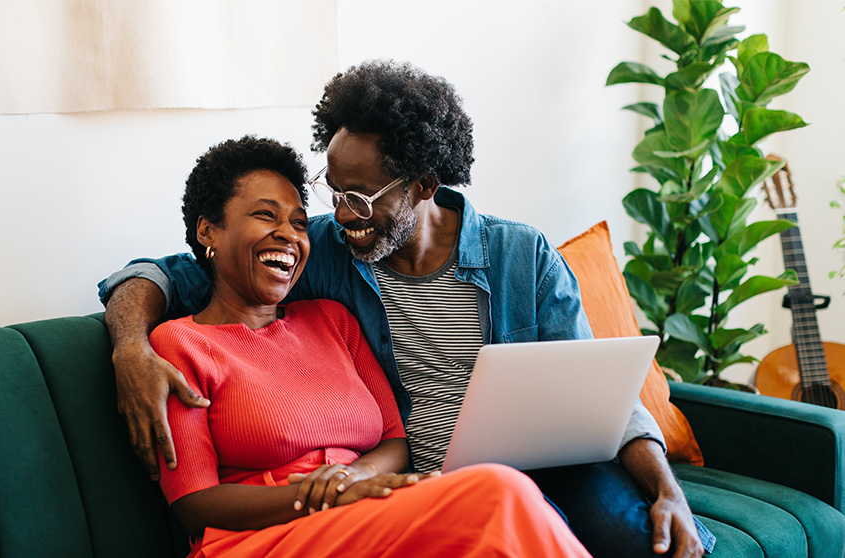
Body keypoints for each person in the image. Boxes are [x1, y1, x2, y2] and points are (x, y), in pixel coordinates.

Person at [99, 61, 714, 558]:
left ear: (423, 183)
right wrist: (130, 345)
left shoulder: (520, 254)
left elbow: (602, 396)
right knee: (508, 510)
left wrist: (668, 487)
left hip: (553, 461)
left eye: (362, 198)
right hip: (421, 484)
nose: (341, 216)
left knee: (650, 538)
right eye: (335, 194)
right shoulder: (328, 251)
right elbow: (169, 274)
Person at [149, 134, 592, 557]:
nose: (289, 234)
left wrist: (355, 477)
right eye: (266, 216)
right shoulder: (179, 344)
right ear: (208, 230)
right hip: (265, 537)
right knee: (499, 492)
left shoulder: (331, 319)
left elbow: (395, 438)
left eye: (300, 223)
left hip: (364, 513)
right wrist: (325, 495)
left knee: (498, 508)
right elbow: (194, 505)